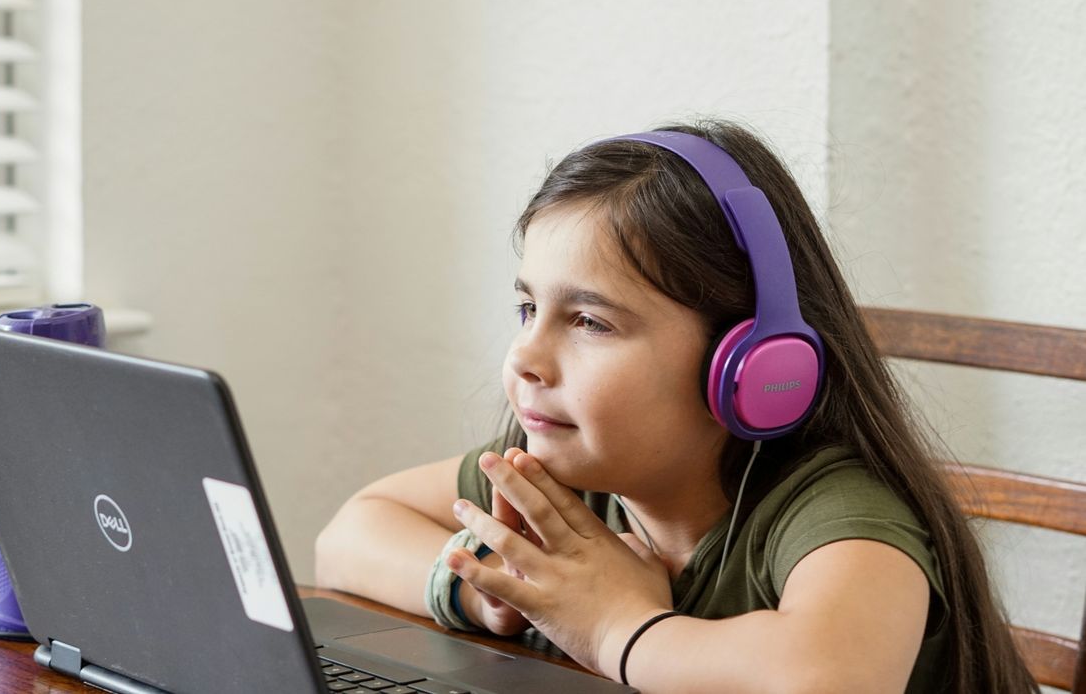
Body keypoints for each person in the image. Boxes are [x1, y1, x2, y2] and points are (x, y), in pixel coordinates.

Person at [315, 120, 1036, 693]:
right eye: (528, 308)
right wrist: (490, 594)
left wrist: (614, 627)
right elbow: (348, 534)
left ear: (751, 364)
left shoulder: (831, 511)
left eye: (589, 322)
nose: (525, 357)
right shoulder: (567, 475)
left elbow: (828, 679)